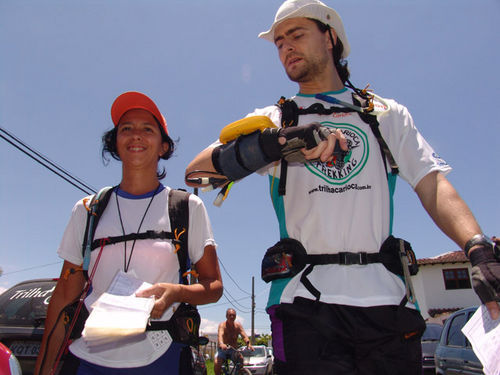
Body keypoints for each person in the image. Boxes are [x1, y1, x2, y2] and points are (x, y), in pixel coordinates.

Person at [185, 0, 500, 374]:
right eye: (279, 41)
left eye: (297, 34)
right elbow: (196, 174)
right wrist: (275, 144)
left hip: (389, 302)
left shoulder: (384, 114)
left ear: (330, 37)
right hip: (303, 302)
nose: (286, 46)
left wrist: (477, 246)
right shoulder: (273, 119)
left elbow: (432, 185)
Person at [35, 91, 223, 375]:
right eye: (126, 129)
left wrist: (176, 293)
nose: (136, 135)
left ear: (163, 147)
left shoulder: (187, 208)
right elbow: (64, 295)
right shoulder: (88, 209)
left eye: (147, 129)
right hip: (87, 358)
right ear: (115, 143)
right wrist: (44, 368)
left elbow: (213, 286)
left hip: (162, 357)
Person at [214, 308, 253, 375]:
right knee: (217, 363)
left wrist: (248, 344)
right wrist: (221, 343)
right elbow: (220, 335)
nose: (232, 317)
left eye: (233, 315)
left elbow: (244, 336)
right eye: (230, 315)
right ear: (226, 316)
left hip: (233, 350)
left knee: (241, 359)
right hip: (223, 350)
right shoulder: (222, 325)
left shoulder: (238, 326)